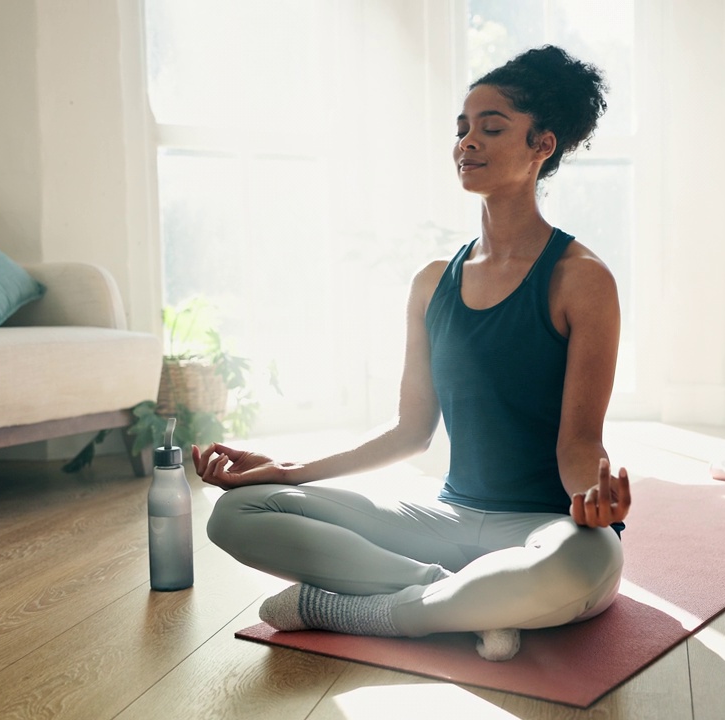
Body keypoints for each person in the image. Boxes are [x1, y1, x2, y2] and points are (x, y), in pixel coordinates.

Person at [193, 45, 630, 662]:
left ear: (542, 146)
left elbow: (579, 443)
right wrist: (286, 471)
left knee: (586, 565)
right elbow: (409, 431)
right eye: (462, 128)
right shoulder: (432, 282)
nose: (467, 142)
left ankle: (339, 608)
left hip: (543, 528)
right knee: (235, 514)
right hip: (442, 525)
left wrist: (593, 501)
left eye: (491, 127)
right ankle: (453, 602)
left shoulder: (581, 279)